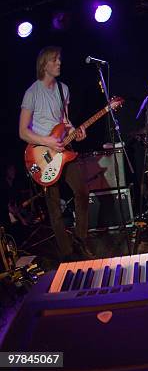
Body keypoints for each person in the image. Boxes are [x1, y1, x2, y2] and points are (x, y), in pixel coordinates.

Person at [18, 46, 93, 261]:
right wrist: (47, 141)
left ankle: (80, 238)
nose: (59, 63)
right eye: (55, 60)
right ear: (44, 64)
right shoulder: (32, 92)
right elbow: (22, 131)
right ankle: (67, 253)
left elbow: (65, 122)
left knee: (82, 192)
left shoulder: (64, 89)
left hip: (64, 148)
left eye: (60, 59)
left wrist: (74, 131)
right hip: (42, 154)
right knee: (54, 205)